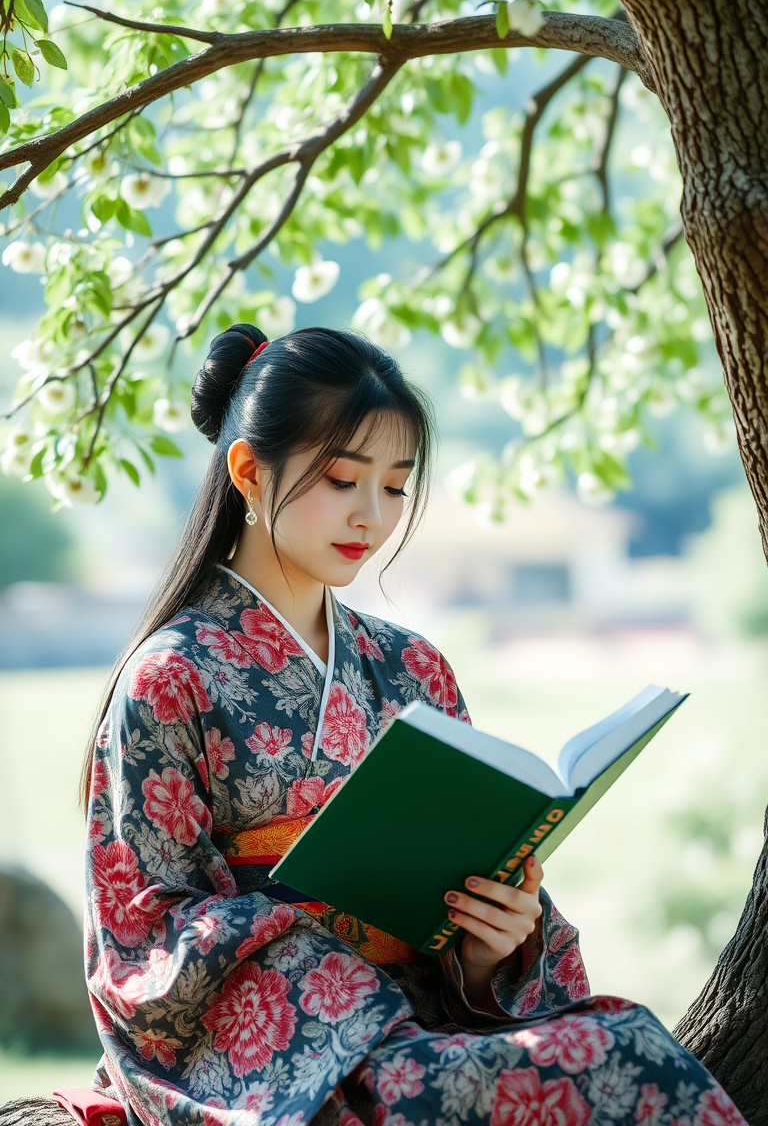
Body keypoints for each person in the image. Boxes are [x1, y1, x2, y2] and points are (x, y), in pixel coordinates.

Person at [83, 325, 745, 1126]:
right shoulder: (170, 677)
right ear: (250, 473)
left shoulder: (415, 669)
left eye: (395, 487)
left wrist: (487, 946)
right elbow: (142, 942)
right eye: (341, 479)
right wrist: (314, 927)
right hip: (292, 1053)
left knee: (629, 1042)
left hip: (431, 1025)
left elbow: (465, 890)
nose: (372, 515)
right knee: (596, 1070)